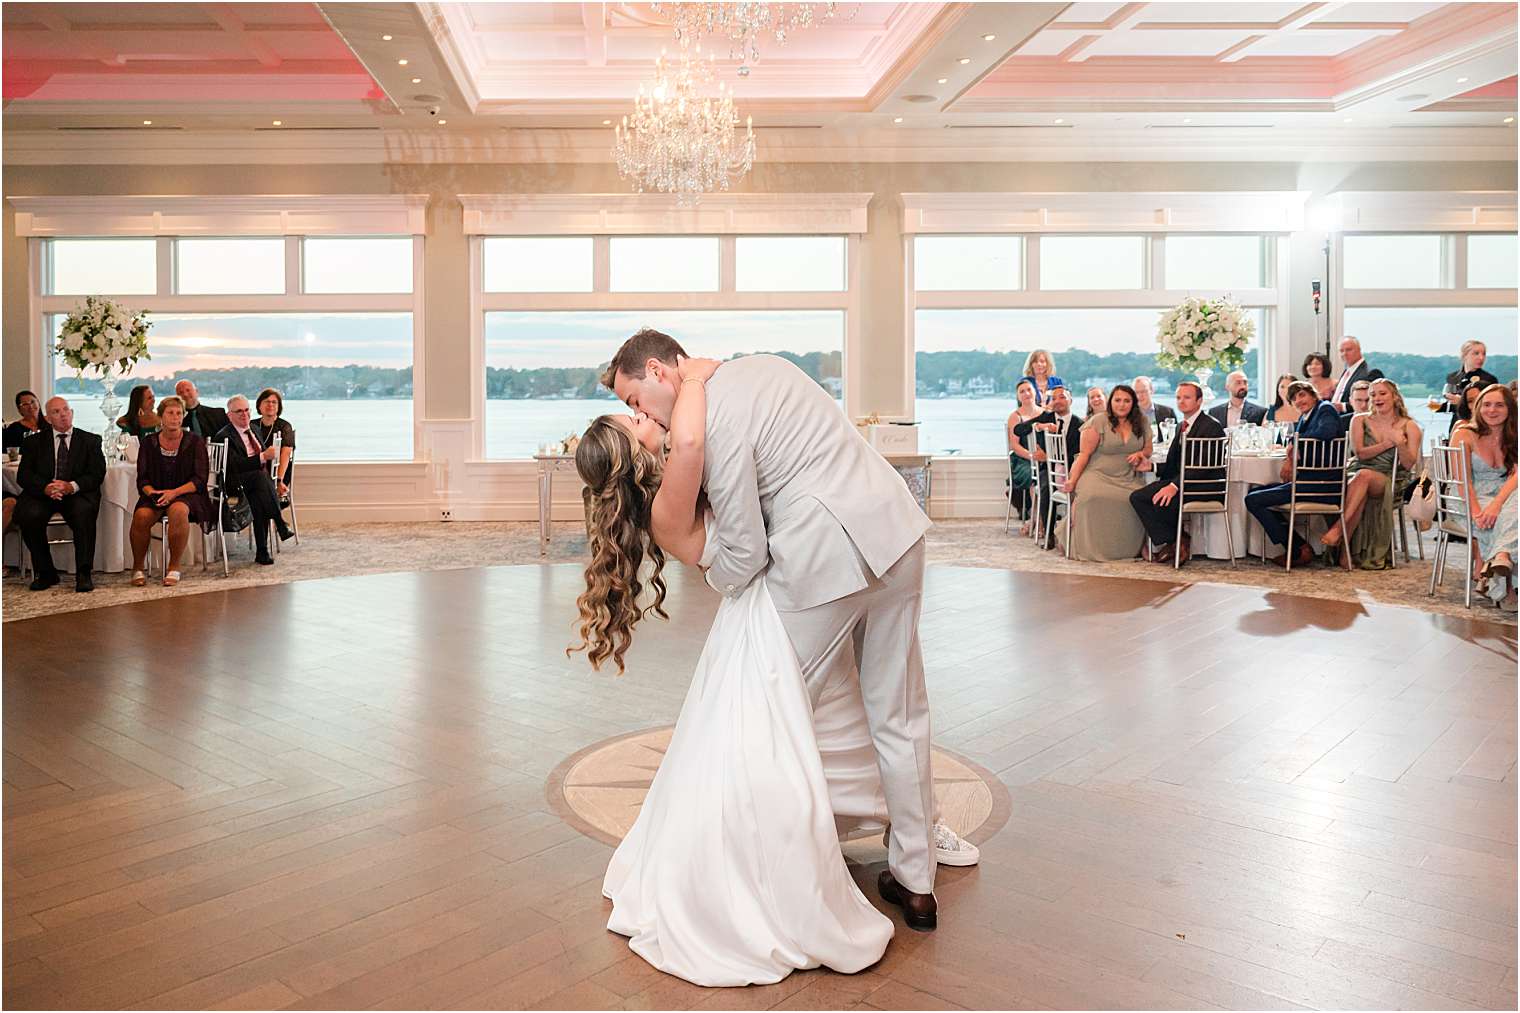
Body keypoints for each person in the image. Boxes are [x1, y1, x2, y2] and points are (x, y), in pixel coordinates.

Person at [575, 329, 969, 983]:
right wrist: (696, 382)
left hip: (824, 563)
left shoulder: (703, 425)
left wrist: (725, 556)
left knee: (776, 721)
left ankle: (779, 865)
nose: (641, 412)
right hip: (895, 531)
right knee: (898, 712)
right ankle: (917, 878)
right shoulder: (756, 370)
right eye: (630, 411)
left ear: (654, 370)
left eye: (634, 397)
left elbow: (745, 557)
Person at [1320, 379, 1422, 570]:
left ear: (1394, 397)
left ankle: (1339, 530)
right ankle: (1345, 554)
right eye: (1373, 395)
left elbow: (1408, 465)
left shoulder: (1410, 426)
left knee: (1364, 477)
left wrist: (1400, 444)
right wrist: (1386, 444)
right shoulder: (1359, 419)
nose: (1376, 398)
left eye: (1382, 393)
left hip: (1390, 478)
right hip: (1358, 471)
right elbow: (1360, 453)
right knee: (1361, 483)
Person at [1245, 381, 1343, 568]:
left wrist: (1295, 442)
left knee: (1254, 500)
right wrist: (1293, 446)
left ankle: (1297, 548)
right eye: (1294, 398)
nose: (1299, 401)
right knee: (1255, 492)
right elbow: (1295, 443)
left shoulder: (1325, 409)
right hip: (1308, 481)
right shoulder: (1306, 418)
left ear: (1313, 395)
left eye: (1302, 395)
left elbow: (1327, 431)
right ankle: (1299, 546)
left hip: (1323, 484)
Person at [15, 397, 105, 592]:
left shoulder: (90, 440)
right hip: (44, 493)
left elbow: (97, 474)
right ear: (47, 418)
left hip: (76, 494)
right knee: (28, 514)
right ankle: (46, 572)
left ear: (72, 413)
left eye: (66, 410)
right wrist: (46, 488)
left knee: (84, 513)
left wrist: (71, 486)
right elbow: (24, 475)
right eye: (56, 412)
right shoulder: (33, 442)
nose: (63, 414)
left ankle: (83, 573)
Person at [1130, 381, 1225, 567]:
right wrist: (1152, 467)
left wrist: (1174, 486)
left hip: (1207, 484)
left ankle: (1176, 541)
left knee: (1162, 498)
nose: (1181, 402)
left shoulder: (1211, 426)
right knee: (1139, 497)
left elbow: (1202, 467)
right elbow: (1175, 464)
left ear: (1199, 401)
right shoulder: (1181, 425)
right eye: (1178, 398)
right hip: (1186, 481)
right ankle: (1176, 540)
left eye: (1187, 397)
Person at [1058, 384, 1152, 561]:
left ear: (1133, 403)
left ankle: (1131, 548)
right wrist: (1072, 481)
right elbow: (1083, 455)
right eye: (1117, 400)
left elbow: (1148, 449)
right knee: (1092, 496)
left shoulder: (1142, 421)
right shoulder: (1098, 421)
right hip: (1096, 474)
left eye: (1127, 401)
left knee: (1135, 499)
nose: (1122, 405)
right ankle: (1082, 545)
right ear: (1111, 402)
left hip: (1128, 477)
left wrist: (1140, 454)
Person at [128, 396, 212, 588]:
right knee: (141, 516)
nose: (175, 417)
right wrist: (153, 493)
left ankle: (174, 566)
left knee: (178, 511)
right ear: (161, 416)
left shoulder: (195, 442)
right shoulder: (148, 443)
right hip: (155, 494)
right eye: (170, 413)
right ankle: (138, 567)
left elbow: (200, 480)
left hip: (187, 494)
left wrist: (173, 493)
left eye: (179, 413)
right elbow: (142, 479)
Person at [1451, 384, 1518, 609]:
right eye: (1487, 404)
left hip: (1506, 493)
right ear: (1478, 407)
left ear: (1510, 408)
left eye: (1499, 405)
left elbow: (1516, 476)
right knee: (1505, 519)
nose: (1492, 410)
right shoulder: (1464, 433)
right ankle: (1506, 587)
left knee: (1513, 508)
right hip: (1470, 496)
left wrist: (1497, 505)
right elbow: (1463, 481)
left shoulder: (1515, 434)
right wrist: (1478, 511)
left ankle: (1502, 559)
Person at [215, 395, 293, 565]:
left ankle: (262, 552)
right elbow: (233, 466)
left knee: (260, 498)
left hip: (257, 482)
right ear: (230, 415)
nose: (244, 414)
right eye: (238, 411)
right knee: (260, 479)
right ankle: (279, 523)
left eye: (246, 410)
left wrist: (275, 474)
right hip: (234, 483)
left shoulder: (254, 429)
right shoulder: (224, 435)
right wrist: (262, 457)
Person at [1013, 384, 1083, 550]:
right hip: (1048, 470)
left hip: (1071, 470)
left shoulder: (1079, 424)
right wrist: (1039, 426)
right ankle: (1049, 534)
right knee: (1045, 486)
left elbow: (1077, 453)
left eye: (1062, 397)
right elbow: (1018, 429)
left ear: (1071, 400)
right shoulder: (1046, 417)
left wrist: (1054, 455)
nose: (1058, 401)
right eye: (1054, 398)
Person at [1005, 378, 1042, 527]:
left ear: (1035, 392)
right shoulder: (1015, 416)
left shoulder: (1046, 413)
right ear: (1018, 396)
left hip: (1043, 457)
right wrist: (1032, 456)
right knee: (1034, 474)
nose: (1026, 393)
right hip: (1022, 459)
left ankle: (1042, 517)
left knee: (1046, 473)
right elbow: (1014, 445)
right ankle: (1036, 519)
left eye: (1029, 390)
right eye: (1022, 391)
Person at [251, 387, 295, 496]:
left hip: (278, 471)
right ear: (259, 405)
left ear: (279, 407)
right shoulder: (252, 425)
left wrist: (279, 480)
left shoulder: (285, 426)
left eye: (274, 402)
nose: (270, 405)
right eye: (266, 401)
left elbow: (286, 453)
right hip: (256, 468)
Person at [1328, 336, 1382, 413]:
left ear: (1359, 350)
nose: (1344, 353)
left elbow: (1376, 402)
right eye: (1341, 351)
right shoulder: (1347, 372)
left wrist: (1343, 407)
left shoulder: (1371, 373)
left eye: (1348, 350)